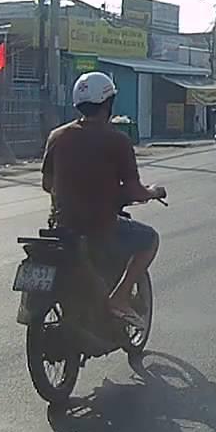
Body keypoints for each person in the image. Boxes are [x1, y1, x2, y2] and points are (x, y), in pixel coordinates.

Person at [42, 72, 166, 329]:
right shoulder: (117, 140)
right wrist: (154, 191)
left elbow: (47, 184)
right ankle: (120, 297)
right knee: (150, 239)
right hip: (100, 226)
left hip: (62, 227)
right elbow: (134, 191)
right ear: (109, 104)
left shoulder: (57, 136)